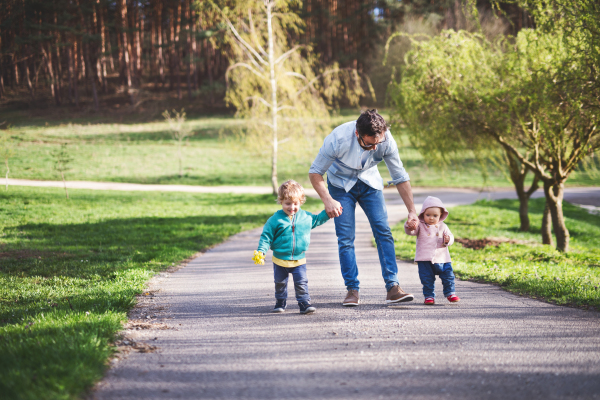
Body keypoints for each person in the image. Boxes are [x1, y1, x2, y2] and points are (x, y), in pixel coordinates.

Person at [308, 109, 419, 306]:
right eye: (370, 144)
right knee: (345, 238)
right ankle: (352, 289)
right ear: (358, 134)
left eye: (379, 143)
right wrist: (328, 200)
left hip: (370, 183)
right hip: (341, 186)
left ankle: (393, 287)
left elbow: (400, 176)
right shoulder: (338, 139)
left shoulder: (386, 140)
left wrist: (412, 211)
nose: (375, 148)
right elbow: (315, 172)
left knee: (383, 230)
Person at [253, 180, 330, 314]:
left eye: (296, 204)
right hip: (280, 260)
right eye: (288, 203)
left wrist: (329, 212)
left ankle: (304, 303)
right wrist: (261, 251)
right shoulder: (275, 219)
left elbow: (318, 219)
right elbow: (266, 237)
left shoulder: (305, 217)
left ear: (301, 202)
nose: (292, 207)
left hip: (299, 259)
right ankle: (280, 302)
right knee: (280, 283)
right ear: (281, 201)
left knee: (301, 283)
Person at [404, 196, 460, 304]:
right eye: (428, 215)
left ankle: (450, 293)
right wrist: (409, 226)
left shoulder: (443, 226)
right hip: (424, 259)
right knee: (427, 279)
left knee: (448, 276)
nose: (431, 218)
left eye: (435, 215)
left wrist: (449, 240)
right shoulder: (420, 226)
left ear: (440, 216)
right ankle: (429, 296)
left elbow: (450, 236)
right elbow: (411, 232)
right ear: (422, 214)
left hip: (443, 258)